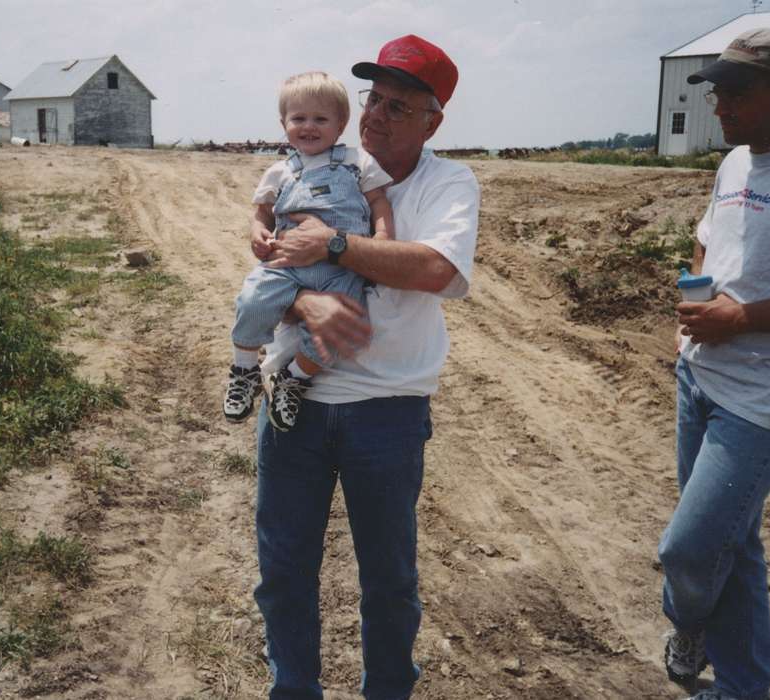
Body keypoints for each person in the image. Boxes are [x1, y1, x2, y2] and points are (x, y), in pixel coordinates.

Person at [250, 35, 479, 699]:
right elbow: (265, 263)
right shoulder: (313, 161)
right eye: (371, 99)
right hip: (295, 404)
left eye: (397, 107)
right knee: (284, 568)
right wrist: (302, 305)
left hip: (388, 410)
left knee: (388, 580)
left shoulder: (448, 183)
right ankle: (293, 689)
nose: (375, 115)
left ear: (432, 123)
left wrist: (338, 245)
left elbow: (438, 268)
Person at [657, 26, 770, 700]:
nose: (720, 105)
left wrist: (742, 317)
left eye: (738, 92)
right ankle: (742, 688)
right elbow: (707, 244)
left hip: (762, 403)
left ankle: (687, 620)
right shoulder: (733, 165)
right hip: (698, 378)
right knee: (736, 547)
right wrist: (698, 300)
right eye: (717, 92)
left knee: (690, 549)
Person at [224, 71, 395, 432]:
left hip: (341, 269)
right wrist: (258, 233)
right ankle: (244, 369)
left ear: (341, 124)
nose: (309, 127)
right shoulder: (280, 171)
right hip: (287, 263)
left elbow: (379, 202)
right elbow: (262, 213)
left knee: (341, 329)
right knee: (253, 298)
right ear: (283, 123)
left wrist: (382, 240)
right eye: (298, 118)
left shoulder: (357, 162)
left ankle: (294, 378)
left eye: (321, 119)